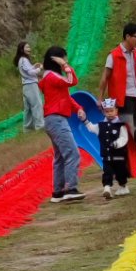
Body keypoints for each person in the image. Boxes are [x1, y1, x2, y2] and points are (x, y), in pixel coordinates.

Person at [102, 22, 136, 175]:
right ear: (127, 36)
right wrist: (100, 98)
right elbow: (105, 77)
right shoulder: (114, 55)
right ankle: (129, 163)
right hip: (123, 98)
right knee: (128, 132)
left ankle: (124, 156)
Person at [39, 47, 82, 203]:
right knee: (72, 153)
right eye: (63, 58)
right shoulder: (51, 77)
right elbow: (72, 81)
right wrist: (66, 66)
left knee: (60, 156)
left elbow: (65, 96)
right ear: (56, 59)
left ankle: (57, 192)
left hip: (53, 119)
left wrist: (78, 108)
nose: (66, 60)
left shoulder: (50, 77)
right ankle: (70, 188)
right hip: (56, 120)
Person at [99, 101, 134, 196]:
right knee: (107, 171)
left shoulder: (120, 125)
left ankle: (123, 186)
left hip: (119, 156)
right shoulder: (102, 125)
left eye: (111, 110)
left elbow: (124, 137)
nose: (109, 113)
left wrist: (116, 144)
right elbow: (93, 128)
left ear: (116, 111)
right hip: (107, 156)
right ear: (104, 112)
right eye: (107, 111)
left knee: (120, 172)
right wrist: (85, 121)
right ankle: (107, 188)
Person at [15, 38, 42, 135]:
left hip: (26, 86)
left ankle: (28, 128)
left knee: (28, 108)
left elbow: (28, 70)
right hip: (30, 85)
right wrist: (39, 69)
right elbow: (30, 73)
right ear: (22, 49)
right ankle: (40, 125)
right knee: (37, 104)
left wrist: (33, 66)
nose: (29, 48)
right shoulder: (24, 60)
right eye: (27, 47)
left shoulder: (22, 60)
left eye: (29, 47)